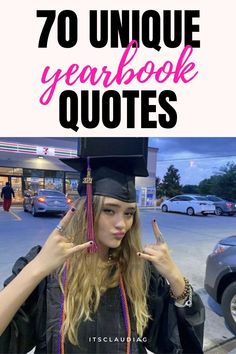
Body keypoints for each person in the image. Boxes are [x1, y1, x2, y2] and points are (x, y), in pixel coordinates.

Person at [0, 138, 205, 354]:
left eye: (129, 213)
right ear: (86, 211)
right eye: (109, 210)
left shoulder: (139, 272)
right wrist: (36, 268)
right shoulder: (51, 270)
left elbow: (177, 343)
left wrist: (174, 277)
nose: (122, 224)